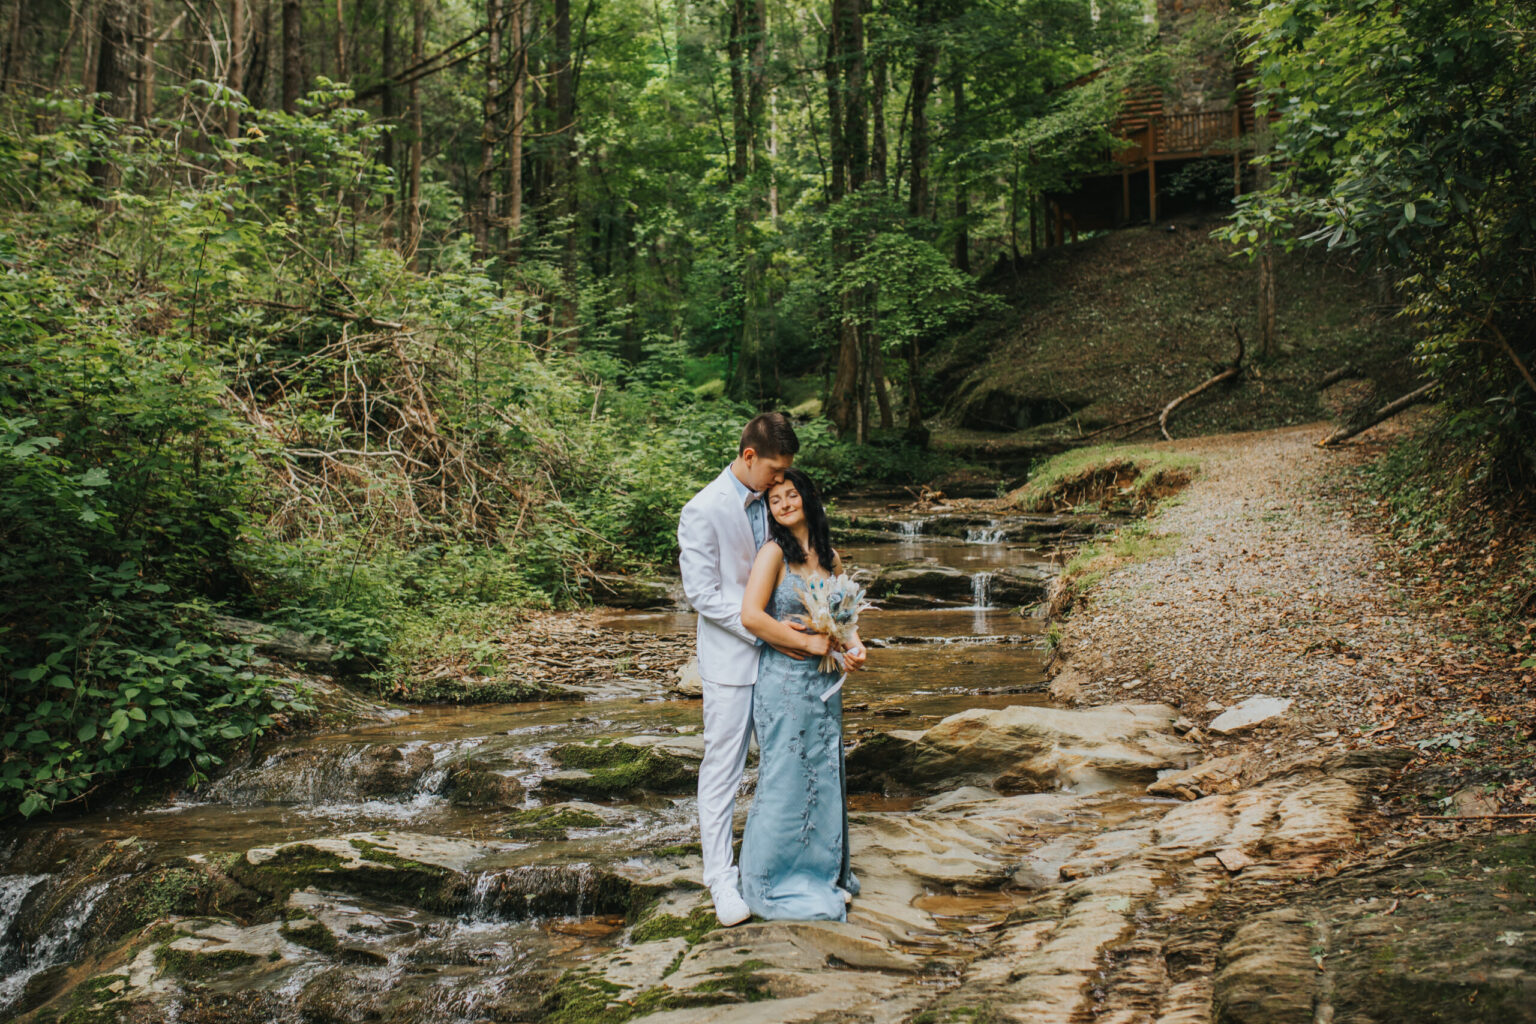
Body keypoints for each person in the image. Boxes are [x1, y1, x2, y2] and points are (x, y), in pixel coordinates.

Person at [677, 412, 828, 927]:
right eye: (774, 469)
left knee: (788, 765)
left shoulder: (775, 498)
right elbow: (702, 594)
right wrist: (765, 630)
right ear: (749, 457)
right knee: (724, 768)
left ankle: (789, 866)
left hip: (788, 665)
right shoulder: (701, 510)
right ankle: (721, 879)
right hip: (735, 658)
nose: (779, 479)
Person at [737, 468, 865, 921]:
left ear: (808, 499)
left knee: (823, 772)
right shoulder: (773, 553)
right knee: (785, 776)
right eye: (776, 500)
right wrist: (809, 643)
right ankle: (773, 878)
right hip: (785, 682)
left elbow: (845, 622)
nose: (786, 503)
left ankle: (823, 872)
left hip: (825, 685)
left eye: (792, 495)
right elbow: (751, 616)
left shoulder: (830, 556)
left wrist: (854, 648)